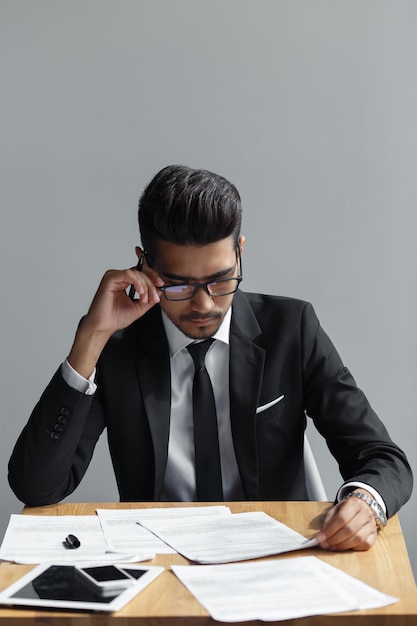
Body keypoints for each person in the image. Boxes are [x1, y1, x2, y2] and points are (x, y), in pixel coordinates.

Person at [8, 164, 412, 552]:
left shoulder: (291, 329)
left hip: (278, 558)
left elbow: (384, 459)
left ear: (239, 251)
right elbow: (37, 487)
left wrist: (367, 501)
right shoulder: (117, 347)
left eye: (220, 279)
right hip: (158, 560)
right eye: (179, 285)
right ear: (144, 265)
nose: (204, 304)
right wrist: (91, 339)